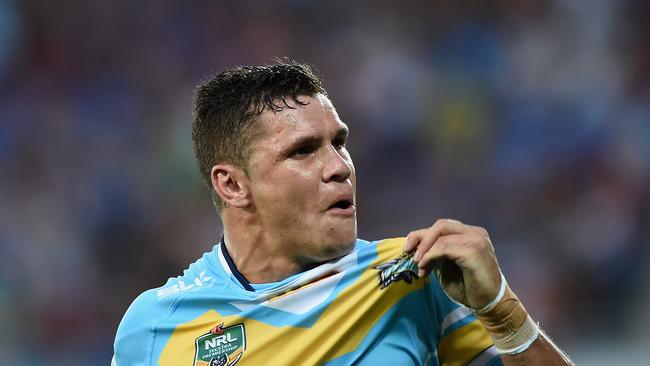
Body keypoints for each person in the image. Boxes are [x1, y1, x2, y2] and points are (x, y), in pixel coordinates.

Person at [112, 60, 573, 366]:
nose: (339, 167)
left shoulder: (416, 276)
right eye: (303, 151)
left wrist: (502, 312)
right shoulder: (155, 329)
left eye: (340, 143)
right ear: (232, 185)